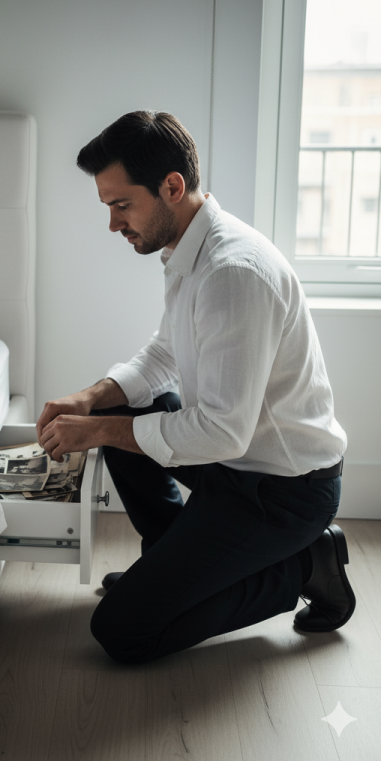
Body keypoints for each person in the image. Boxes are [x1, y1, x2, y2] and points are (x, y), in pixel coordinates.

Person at [36, 110, 354, 665]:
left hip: (283, 491)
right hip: (241, 466)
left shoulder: (233, 272)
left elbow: (224, 433)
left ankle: (306, 565)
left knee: (122, 631)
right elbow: (165, 354)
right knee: (130, 407)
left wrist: (100, 428)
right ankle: (171, 564)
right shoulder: (189, 249)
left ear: (171, 187)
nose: (113, 224)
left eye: (121, 205)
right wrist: (93, 397)